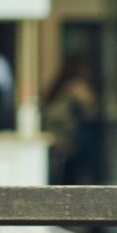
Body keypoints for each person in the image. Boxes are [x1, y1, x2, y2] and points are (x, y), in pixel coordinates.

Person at [43, 54, 102, 184]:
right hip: (69, 142)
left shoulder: (57, 86)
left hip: (57, 141)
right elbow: (91, 110)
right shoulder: (76, 88)